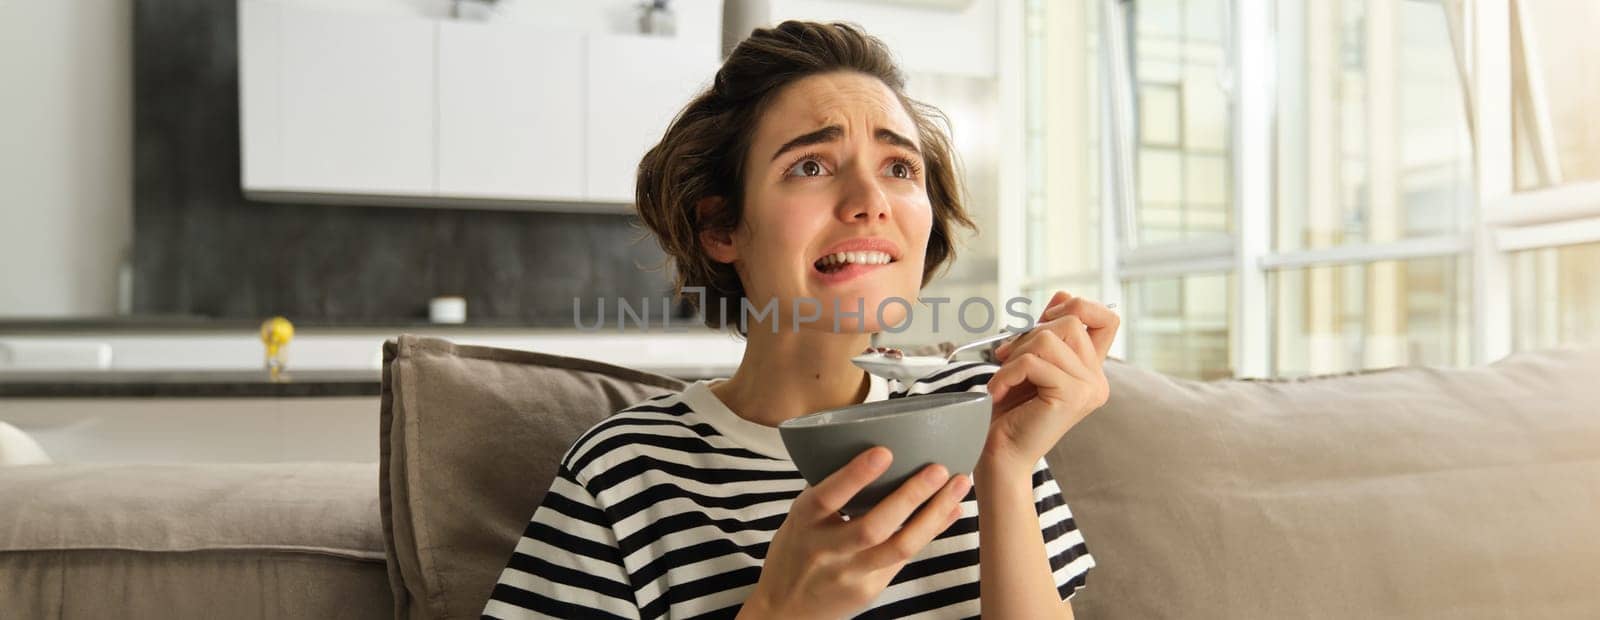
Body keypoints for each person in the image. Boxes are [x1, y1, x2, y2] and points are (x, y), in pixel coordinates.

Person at [484, 20, 1120, 619]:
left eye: (899, 168)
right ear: (720, 227)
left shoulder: (985, 420)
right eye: (810, 166)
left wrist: (1005, 467)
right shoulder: (625, 473)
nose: (871, 203)